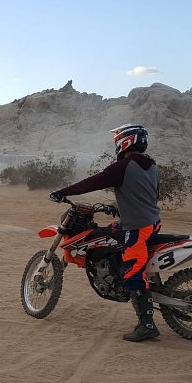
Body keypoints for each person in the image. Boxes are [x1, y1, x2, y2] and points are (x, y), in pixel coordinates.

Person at [49, 123, 162, 342]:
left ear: (125, 142)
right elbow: (146, 196)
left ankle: (147, 325)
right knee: (108, 233)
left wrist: (63, 192)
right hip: (151, 222)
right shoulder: (152, 167)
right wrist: (119, 208)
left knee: (133, 272)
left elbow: (94, 181)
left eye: (118, 141)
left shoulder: (123, 166)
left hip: (137, 227)